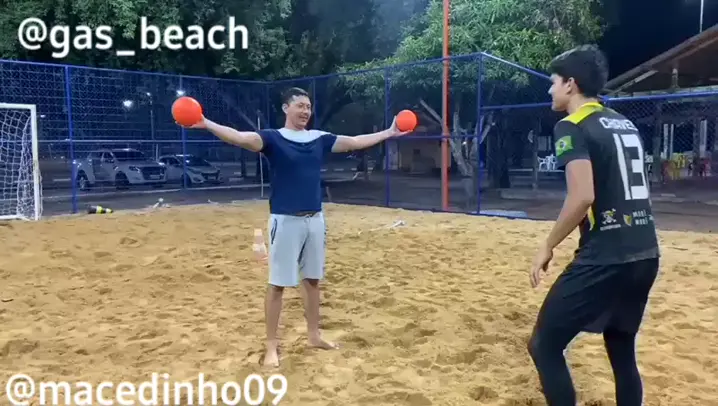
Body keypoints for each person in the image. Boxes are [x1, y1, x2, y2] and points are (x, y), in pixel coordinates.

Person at [178, 87, 408, 367]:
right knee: (278, 285)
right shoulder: (273, 139)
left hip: (315, 220)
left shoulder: (318, 139)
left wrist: (389, 132)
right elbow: (240, 137)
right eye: (300, 105)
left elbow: (355, 141)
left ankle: (314, 335)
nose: (305, 111)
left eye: (308, 107)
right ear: (286, 108)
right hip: (285, 220)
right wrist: (206, 123)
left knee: (312, 281)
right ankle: (271, 347)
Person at [527, 45, 660, 406]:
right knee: (621, 346)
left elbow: (582, 195)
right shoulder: (623, 122)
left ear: (570, 84)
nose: (550, 89)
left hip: (607, 255)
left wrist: (547, 245)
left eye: (554, 82)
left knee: (544, 345)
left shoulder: (570, 126)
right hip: (646, 251)